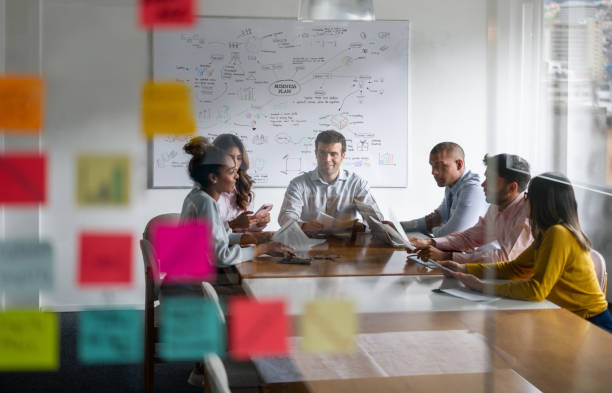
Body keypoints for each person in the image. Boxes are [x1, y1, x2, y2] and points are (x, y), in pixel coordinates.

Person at [438, 173, 612, 334]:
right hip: (569, 318)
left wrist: (482, 286)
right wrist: (465, 268)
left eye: (529, 196)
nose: (525, 200)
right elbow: (515, 268)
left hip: (591, 324)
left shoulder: (558, 234)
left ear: (541, 202)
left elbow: (536, 290)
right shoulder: (548, 233)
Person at [181, 137, 293, 267]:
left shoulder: (198, 196)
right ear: (213, 178)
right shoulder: (206, 202)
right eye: (231, 172)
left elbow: (222, 236)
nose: (237, 176)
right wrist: (263, 249)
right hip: (196, 282)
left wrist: (258, 238)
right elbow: (222, 257)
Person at [411, 153, 532, 263]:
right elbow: (469, 238)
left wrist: (446, 256)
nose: (483, 184)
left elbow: (503, 258)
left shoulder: (528, 215)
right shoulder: (497, 206)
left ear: (512, 188)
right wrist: (430, 242)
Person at [278, 130, 383, 233]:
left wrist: (363, 227)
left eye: (333, 154)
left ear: (342, 156)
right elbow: (285, 217)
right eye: (322, 153)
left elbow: (376, 219)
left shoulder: (357, 184)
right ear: (316, 153)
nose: (327, 159)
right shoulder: (298, 184)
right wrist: (304, 226)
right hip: (309, 244)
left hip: (347, 246)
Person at [401, 142, 488, 237]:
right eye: (432, 165)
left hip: (482, 252)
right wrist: (398, 226)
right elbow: (433, 219)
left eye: (440, 165)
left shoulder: (472, 189)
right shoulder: (451, 186)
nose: (433, 172)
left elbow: (453, 236)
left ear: (459, 164)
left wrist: (435, 227)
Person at [213, 134, 270, 232]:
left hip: (238, 245)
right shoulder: (207, 190)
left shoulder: (244, 187)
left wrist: (257, 223)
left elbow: (244, 231)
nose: (235, 164)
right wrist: (232, 224)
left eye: (239, 158)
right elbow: (207, 234)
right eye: (230, 157)